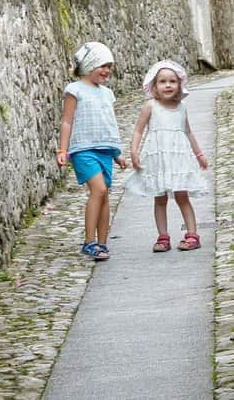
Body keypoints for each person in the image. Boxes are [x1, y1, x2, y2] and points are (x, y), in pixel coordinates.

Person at [124, 59, 208, 252]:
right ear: (154, 86)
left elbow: (188, 132)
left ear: (179, 85)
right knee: (159, 198)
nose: (168, 85)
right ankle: (163, 237)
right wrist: (134, 151)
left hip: (178, 159)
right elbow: (138, 130)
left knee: (182, 196)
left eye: (172, 81)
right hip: (158, 159)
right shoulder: (150, 107)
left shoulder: (181, 108)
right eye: (162, 81)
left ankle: (192, 234)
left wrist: (199, 154)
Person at [57, 41, 127, 260]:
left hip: (105, 150)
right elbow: (67, 121)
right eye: (102, 65)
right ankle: (89, 241)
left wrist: (117, 153)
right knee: (99, 191)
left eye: (109, 66)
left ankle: (102, 244)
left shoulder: (107, 94)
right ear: (89, 65)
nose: (106, 71)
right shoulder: (74, 90)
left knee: (105, 196)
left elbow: (109, 124)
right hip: (83, 150)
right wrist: (63, 149)